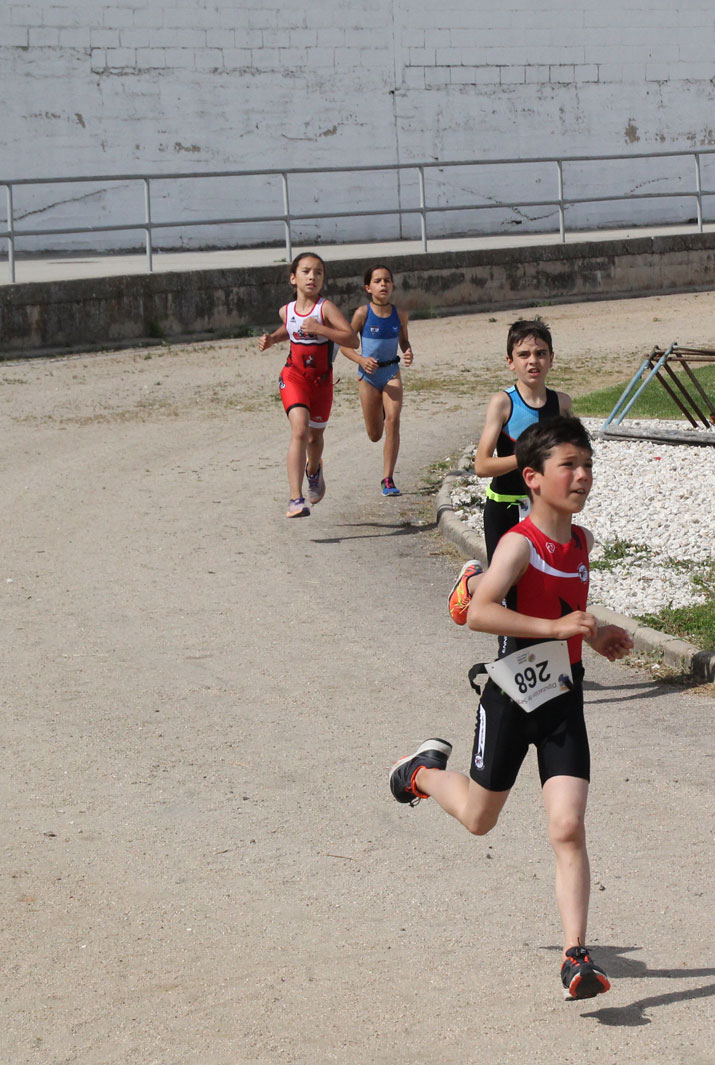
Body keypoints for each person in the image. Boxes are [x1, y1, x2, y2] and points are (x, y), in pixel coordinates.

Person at [389, 415, 635, 1001]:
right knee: (479, 819)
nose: (581, 476)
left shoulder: (582, 542)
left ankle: (576, 956)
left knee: (568, 826)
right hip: (510, 696)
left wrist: (592, 635)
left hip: (563, 697)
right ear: (532, 477)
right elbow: (480, 613)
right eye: (568, 467)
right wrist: (553, 628)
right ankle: (418, 772)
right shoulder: (518, 545)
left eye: (587, 465)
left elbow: (569, 607)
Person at [447, 317, 574, 625]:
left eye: (541, 353)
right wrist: (527, 457)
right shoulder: (503, 403)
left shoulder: (562, 403)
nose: (534, 361)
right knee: (506, 585)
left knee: (542, 581)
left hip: (543, 511)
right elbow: (482, 465)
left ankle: (533, 658)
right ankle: (470, 584)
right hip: (503, 506)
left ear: (552, 359)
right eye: (524, 355)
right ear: (510, 362)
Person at [257, 252, 351, 519]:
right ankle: (295, 499)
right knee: (299, 431)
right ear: (293, 278)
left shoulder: (325, 309)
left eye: (318, 272)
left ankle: (314, 471)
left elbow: (351, 339)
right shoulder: (286, 310)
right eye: (306, 271)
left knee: (314, 438)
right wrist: (272, 339)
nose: (312, 277)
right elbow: (289, 327)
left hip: (321, 383)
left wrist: (322, 330)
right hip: (294, 377)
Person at [332, 266, 414, 496]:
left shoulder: (400, 314)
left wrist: (407, 352)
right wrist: (361, 359)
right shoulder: (362, 314)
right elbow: (346, 344)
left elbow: (404, 341)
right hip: (368, 377)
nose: (384, 284)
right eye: (378, 281)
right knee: (375, 434)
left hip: (391, 372)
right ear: (368, 288)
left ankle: (387, 479)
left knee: (394, 420)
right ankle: (378, 413)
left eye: (387, 280)